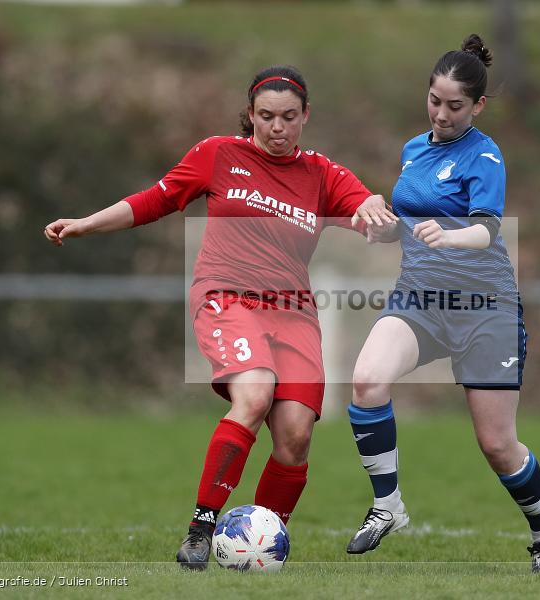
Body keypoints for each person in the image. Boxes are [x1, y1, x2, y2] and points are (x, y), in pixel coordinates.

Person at [43, 65, 396, 570]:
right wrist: (86, 224)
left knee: (295, 437)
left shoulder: (322, 174)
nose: (277, 127)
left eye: (289, 117)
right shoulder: (218, 154)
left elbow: (364, 205)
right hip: (226, 297)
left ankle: (260, 546)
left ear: (306, 116)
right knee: (253, 395)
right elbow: (155, 200)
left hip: (293, 310)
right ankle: (200, 528)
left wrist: (375, 207)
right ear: (250, 114)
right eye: (267, 116)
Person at [346, 35, 540, 573]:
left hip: (485, 309)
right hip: (420, 300)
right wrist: (382, 231)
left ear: (478, 106)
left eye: (455, 106)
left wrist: (452, 235)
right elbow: (408, 224)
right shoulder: (414, 149)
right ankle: (388, 505)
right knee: (367, 381)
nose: (441, 114)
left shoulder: (486, 155)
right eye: (434, 101)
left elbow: (488, 230)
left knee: (496, 444)